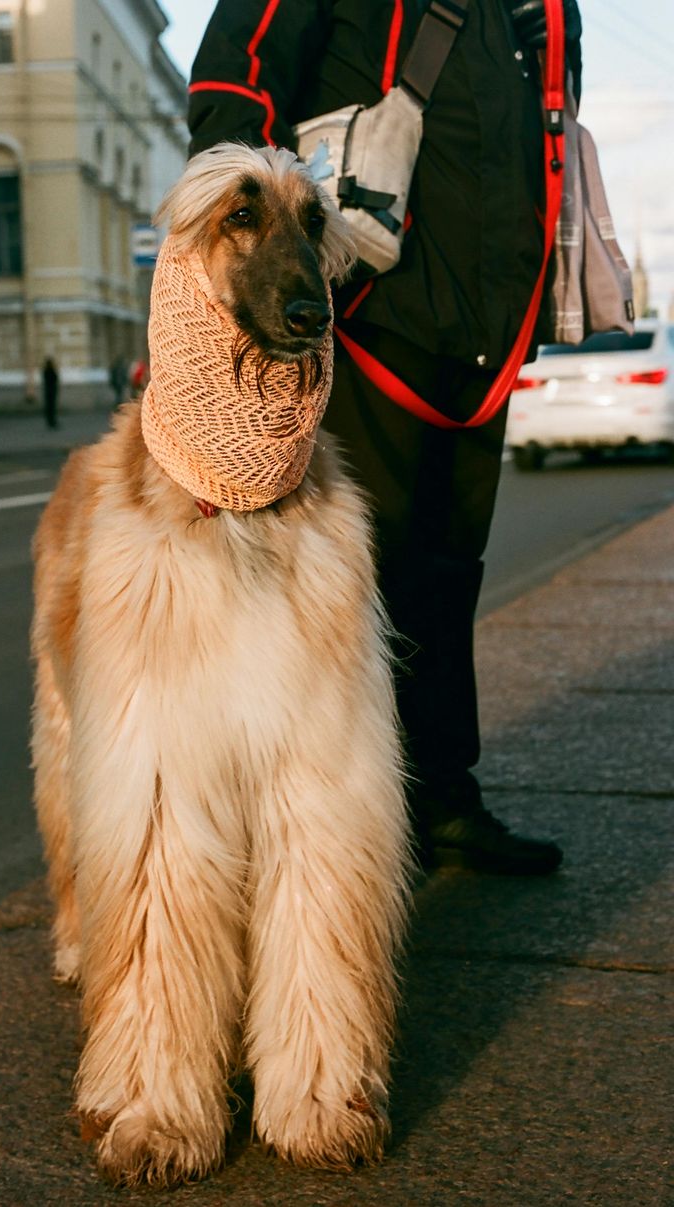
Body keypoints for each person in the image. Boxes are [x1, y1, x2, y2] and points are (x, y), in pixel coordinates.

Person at [187, 0, 583, 874]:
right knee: (350, 584)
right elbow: (232, 79)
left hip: (485, 319)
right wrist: (258, 266)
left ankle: (439, 791)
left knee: (447, 570)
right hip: (368, 313)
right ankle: (327, 828)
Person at [42, 356, 59, 429]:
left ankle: (50, 422)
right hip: (52, 391)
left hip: (48, 391)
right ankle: (52, 422)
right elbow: (55, 379)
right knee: (52, 408)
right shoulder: (51, 371)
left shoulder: (45, 371)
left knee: (49, 408)